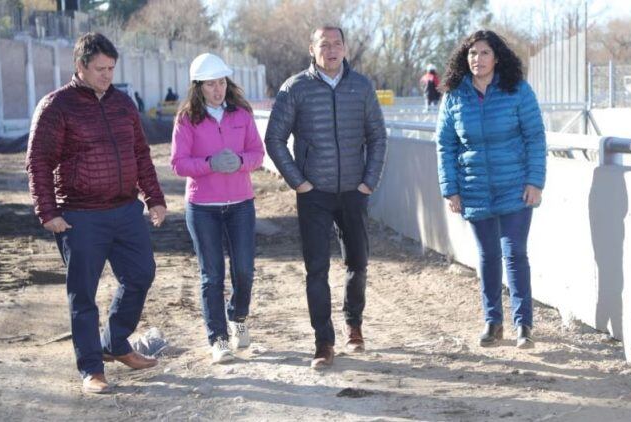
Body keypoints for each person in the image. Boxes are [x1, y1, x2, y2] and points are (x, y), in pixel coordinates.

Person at [26, 32, 167, 394]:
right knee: (83, 295)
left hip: (124, 210)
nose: (107, 75)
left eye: (111, 68)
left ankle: (114, 342)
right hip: (80, 215)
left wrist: (154, 198)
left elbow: (140, 154)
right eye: (100, 69)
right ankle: (91, 369)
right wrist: (48, 212)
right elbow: (38, 161)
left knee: (141, 274)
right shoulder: (57, 106)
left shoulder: (123, 104)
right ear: (80, 66)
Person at [265, 25, 387, 369]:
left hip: (354, 190)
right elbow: (274, 138)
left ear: (346, 48)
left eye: (337, 44)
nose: (331, 50)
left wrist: (369, 181)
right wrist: (299, 182)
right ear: (312, 49)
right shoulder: (295, 88)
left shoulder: (361, 87)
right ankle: (323, 341)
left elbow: (378, 136)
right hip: (313, 193)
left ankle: (354, 324)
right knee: (316, 269)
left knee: (358, 262)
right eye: (324, 44)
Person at [435, 30, 546, 349]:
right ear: (464, 58)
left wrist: (535, 182)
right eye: (472, 54)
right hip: (474, 188)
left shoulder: (518, 91)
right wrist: (450, 189)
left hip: (515, 186)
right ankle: (492, 322)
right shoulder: (454, 95)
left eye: (484, 53)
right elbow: (445, 144)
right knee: (487, 256)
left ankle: (523, 325)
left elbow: (535, 138)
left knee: (515, 254)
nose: (477, 59)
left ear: (497, 57)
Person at [170, 53, 264, 364]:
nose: (217, 89)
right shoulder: (186, 120)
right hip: (203, 208)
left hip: (240, 205)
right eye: (210, 84)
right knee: (212, 274)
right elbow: (178, 163)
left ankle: (238, 317)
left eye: (221, 82)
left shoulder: (241, 115)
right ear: (198, 87)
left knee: (244, 270)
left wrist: (240, 162)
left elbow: (257, 153)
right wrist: (209, 165)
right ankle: (219, 338)